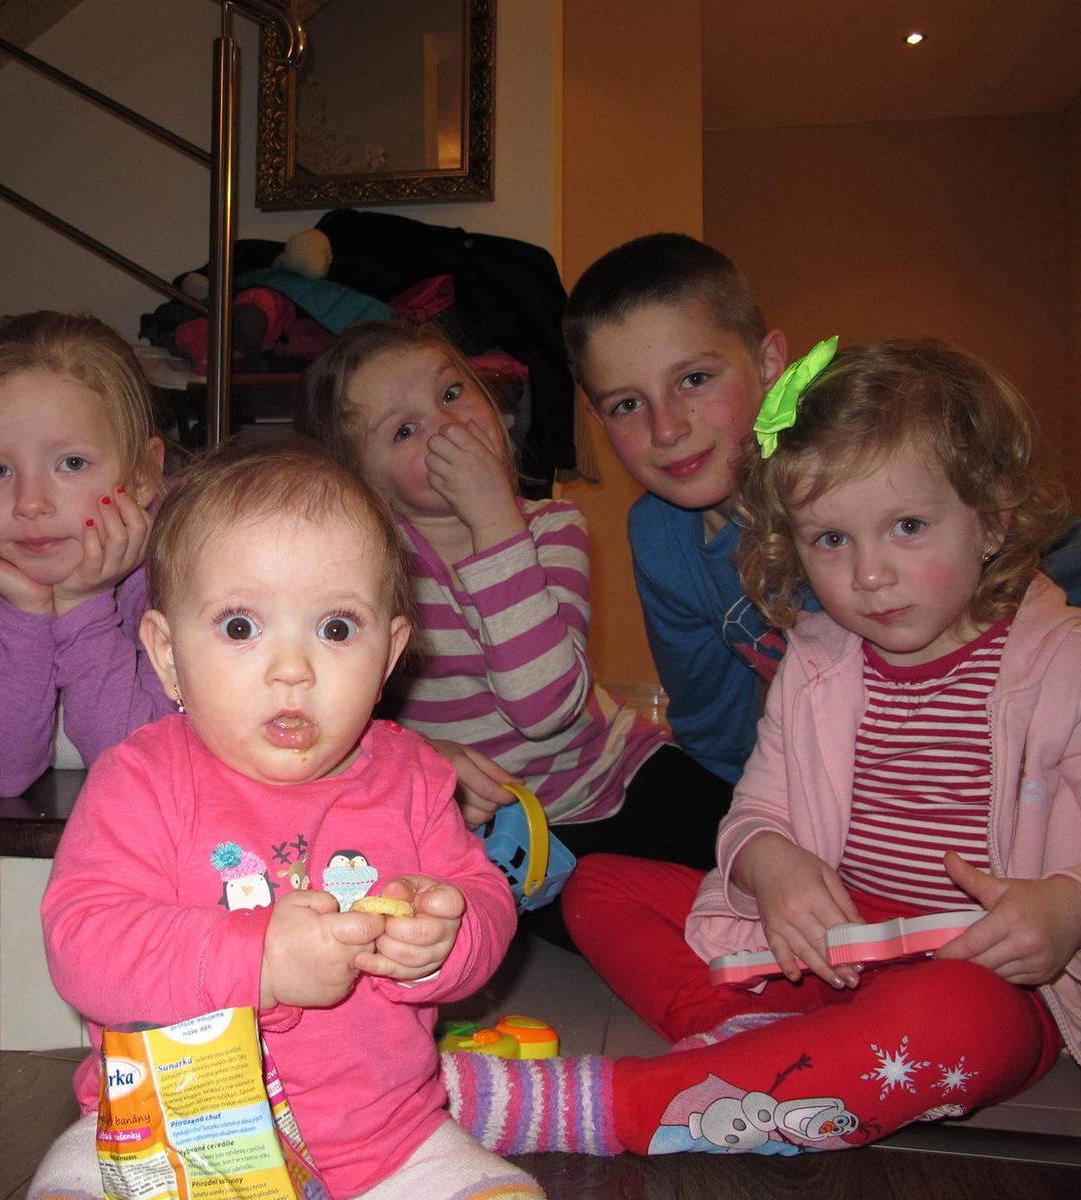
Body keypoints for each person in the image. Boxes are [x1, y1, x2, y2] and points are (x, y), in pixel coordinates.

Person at [443, 339, 1081, 1156]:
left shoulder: (1059, 662)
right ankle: (741, 1037)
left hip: (991, 976)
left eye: (908, 527)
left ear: (991, 520)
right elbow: (755, 812)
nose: (870, 574)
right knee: (598, 884)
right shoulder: (816, 661)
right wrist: (771, 864)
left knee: (963, 1019)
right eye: (831, 540)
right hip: (827, 949)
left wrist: (1063, 908)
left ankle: (613, 1107)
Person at [30, 437, 544, 1199]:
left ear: (388, 655)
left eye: (336, 629)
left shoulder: (413, 777)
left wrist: (445, 938)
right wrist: (258, 959)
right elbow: (84, 944)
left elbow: (485, 899)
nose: (293, 670)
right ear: (168, 655)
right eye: (241, 627)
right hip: (165, 1129)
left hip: (386, 1135)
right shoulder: (140, 779)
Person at [564, 231, 1081, 784]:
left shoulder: (847, 490)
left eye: (694, 379)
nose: (666, 429)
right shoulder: (659, 538)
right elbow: (714, 731)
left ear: (768, 365)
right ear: (597, 420)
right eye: (627, 404)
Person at [295, 322, 732, 871]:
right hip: (485, 823)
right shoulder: (365, 572)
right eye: (405, 430)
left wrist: (496, 521)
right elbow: (331, 720)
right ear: (366, 485)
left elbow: (544, 705)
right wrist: (414, 752)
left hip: (612, 773)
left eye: (451, 393)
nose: (448, 427)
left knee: (748, 846)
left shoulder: (553, 527)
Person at [0, 311, 172, 797]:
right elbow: (0, 772)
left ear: (143, 475)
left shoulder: (186, 564)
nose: (29, 504)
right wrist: (23, 608)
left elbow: (146, 773)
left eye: (71, 463)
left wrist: (84, 606)